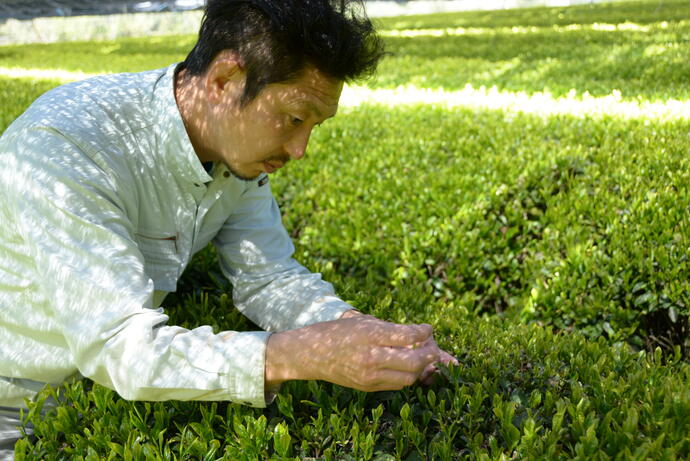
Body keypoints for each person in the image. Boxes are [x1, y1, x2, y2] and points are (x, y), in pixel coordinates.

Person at [0, 0, 457, 457]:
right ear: (223, 80)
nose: (300, 149)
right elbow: (122, 348)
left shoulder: (236, 152)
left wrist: (361, 332)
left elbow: (269, 278)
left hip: (102, 410)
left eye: (315, 126)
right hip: (12, 415)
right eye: (295, 118)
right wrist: (302, 354)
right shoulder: (68, 147)